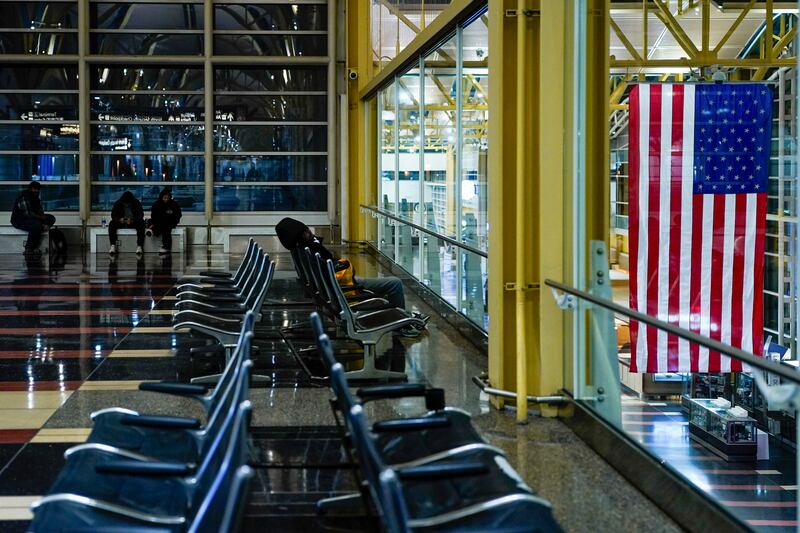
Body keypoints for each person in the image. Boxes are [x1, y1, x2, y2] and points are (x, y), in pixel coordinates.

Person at [276, 217, 429, 336]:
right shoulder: (312, 250)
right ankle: (403, 324)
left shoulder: (301, 251)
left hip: (332, 290)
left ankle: (404, 316)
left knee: (384, 286)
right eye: (306, 230)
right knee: (394, 283)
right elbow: (332, 265)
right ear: (302, 234)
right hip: (344, 288)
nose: (309, 231)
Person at [10, 181, 56, 255]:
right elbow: (28, 214)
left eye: (38, 190)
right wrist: (41, 218)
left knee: (51, 218)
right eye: (35, 189)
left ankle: (42, 227)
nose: (37, 191)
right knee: (36, 225)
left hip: (33, 218)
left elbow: (39, 210)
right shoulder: (24, 197)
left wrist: (43, 216)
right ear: (31, 189)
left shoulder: (36, 198)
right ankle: (29, 248)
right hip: (19, 220)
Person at [108, 191, 145, 255]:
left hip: (133, 222)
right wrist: (119, 219)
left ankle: (139, 246)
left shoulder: (136, 203)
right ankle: (112, 245)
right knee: (112, 224)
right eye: (125, 204)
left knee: (141, 223)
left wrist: (132, 220)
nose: (127, 205)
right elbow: (113, 215)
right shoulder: (118, 203)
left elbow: (141, 216)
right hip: (121, 222)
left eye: (128, 204)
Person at [146, 188, 182, 254]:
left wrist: (171, 215)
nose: (166, 199)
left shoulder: (173, 204)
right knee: (157, 223)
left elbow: (178, 214)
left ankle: (152, 229)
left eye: (167, 198)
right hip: (160, 221)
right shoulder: (157, 204)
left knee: (165, 228)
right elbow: (153, 215)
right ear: (161, 197)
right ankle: (165, 246)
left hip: (170, 221)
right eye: (164, 198)